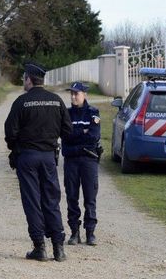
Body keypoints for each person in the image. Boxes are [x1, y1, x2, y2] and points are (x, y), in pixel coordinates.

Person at [4, 62, 72, 262]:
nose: (23, 82)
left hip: (27, 157)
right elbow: (67, 130)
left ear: (29, 80)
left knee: (32, 202)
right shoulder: (56, 100)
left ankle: (39, 247)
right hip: (48, 157)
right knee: (51, 200)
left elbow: (10, 132)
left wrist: (16, 148)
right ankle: (59, 248)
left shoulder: (21, 102)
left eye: (24, 78)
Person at [61, 82, 103, 246]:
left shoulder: (93, 113)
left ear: (84, 95)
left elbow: (93, 137)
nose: (73, 97)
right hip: (71, 161)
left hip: (88, 161)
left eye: (76, 94)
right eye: (71, 94)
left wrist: (74, 137)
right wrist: (81, 134)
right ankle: (74, 232)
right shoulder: (66, 114)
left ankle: (90, 233)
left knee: (90, 198)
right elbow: (64, 137)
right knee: (72, 197)